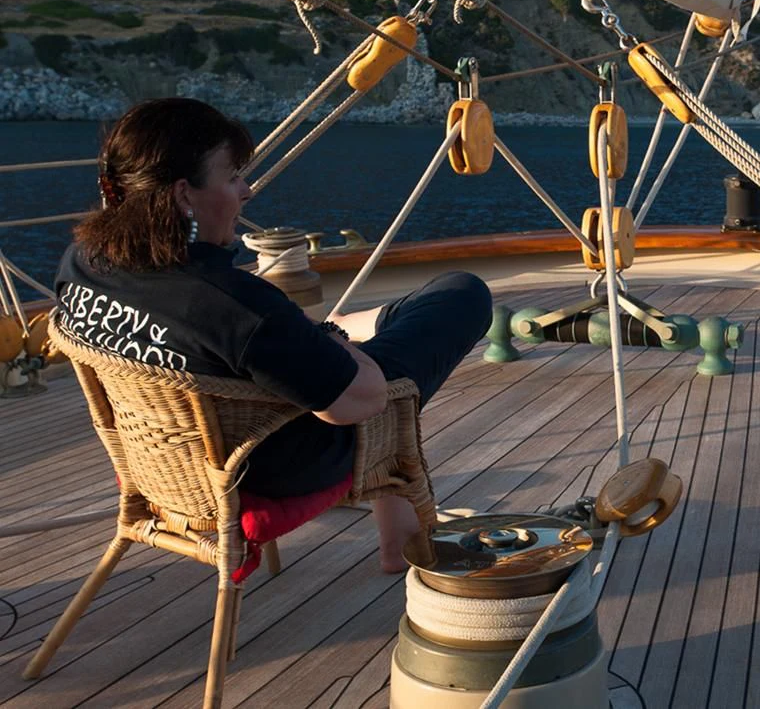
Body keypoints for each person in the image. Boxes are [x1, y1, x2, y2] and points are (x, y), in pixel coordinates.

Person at [54, 98, 492, 572]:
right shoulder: (230, 303)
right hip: (274, 463)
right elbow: (363, 402)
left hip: (170, 466)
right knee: (460, 296)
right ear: (184, 195)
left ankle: (364, 334)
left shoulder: (81, 263)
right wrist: (339, 348)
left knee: (382, 332)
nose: (245, 191)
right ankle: (403, 540)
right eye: (231, 177)